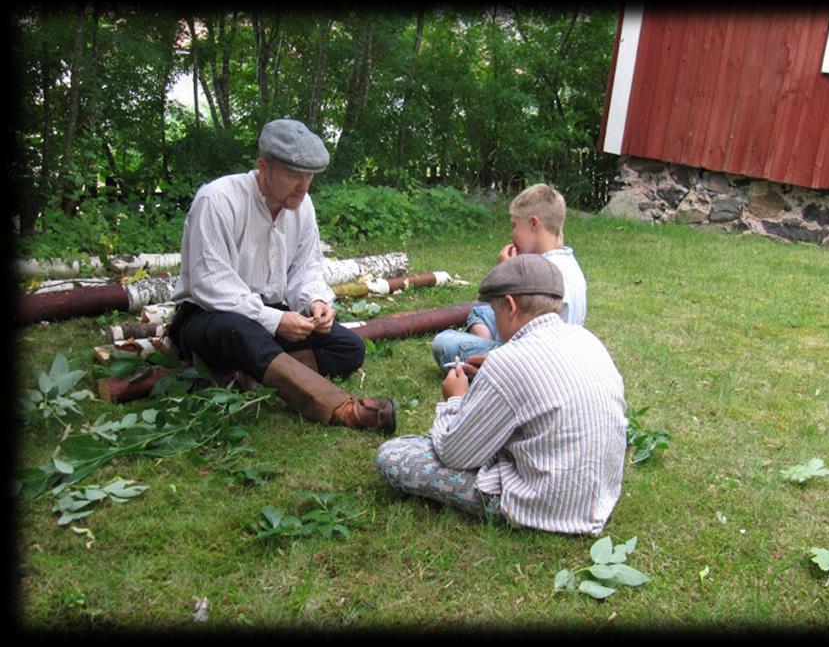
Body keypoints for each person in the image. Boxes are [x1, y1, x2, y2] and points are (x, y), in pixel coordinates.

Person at [168, 118, 395, 433]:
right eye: (293, 176)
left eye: (309, 177)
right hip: (208, 319)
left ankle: (251, 374)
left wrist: (316, 301)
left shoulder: (303, 207)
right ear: (264, 166)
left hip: (266, 316)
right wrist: (275, 321)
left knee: (348, 347)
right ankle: (341, 408)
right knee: (240, 331)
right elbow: (211, 286)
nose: (303, 187)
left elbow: (306, 268)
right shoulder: (217, 200)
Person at [376, 255, 627, 535]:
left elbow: (455, 455)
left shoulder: (508, 361)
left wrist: (454, 400)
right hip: (598, 495)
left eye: (495, 313)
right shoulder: (587, 340)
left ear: (510, 305)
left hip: (547, 506)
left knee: (395, 455)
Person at [431, 183, 587, 372]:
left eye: (514, 225)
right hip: (551, 347)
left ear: (533, 224)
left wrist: (507, 271)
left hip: (535, 360)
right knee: (480, 312)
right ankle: (486, 349)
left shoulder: (545, 274)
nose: (511, 233)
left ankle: (488, 361)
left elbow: (526, 338)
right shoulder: (568, 262)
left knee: (444, 342)